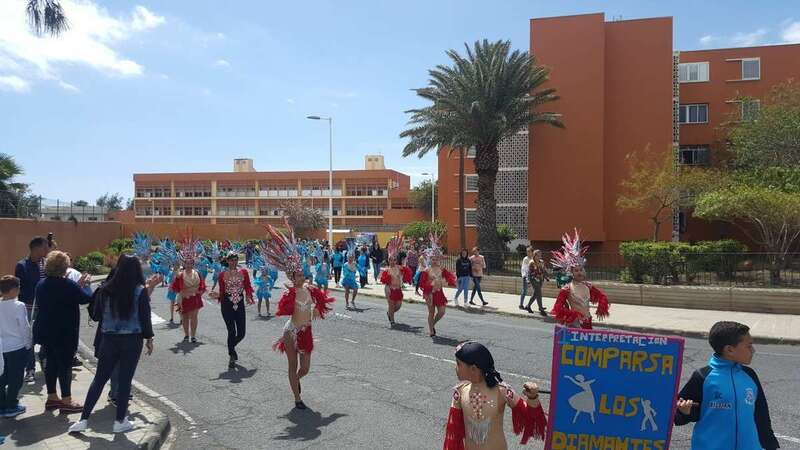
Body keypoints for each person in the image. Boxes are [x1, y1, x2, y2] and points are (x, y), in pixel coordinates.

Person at [68, 254, 160, 434]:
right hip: (132, 340)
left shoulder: (105, 289)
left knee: (99, 379)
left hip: (108, 339)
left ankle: (84, 419)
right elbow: (144, 318)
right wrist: (149, 338)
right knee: (125, 381)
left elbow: (97, 314)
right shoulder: (139, 291)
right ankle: (120, 421)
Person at [262, 222, 335, 410]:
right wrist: (289, 295)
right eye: (297, 275)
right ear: (291, 277)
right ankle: (297, 398)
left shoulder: (311, 290)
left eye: (302, 274)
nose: (301, 277)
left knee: (305, 369)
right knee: (292, 366)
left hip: (307, 332)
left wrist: (318, 310)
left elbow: (322, 302)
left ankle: (296, 380)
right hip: (291, 332)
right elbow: (284, 310)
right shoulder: (289, 294)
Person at [675, 321, 779, 450]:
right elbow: (679, 415)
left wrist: (770, 445)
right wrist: (685, 412)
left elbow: (761, 414)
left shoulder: (750, 375)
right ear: (729, 349)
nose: (753, 350)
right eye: (749, 346)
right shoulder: (703, 377)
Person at [443, 341, 547, 449]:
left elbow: (531, 419)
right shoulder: (460, 393)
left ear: (473, 369)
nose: (455, 367)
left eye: (458, 364)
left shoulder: (502, 391)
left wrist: (532, 397)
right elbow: (454, 433)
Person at [32, 251, 92, 413]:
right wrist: (86, 285)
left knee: (51, 363)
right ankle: (67, 400)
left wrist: (77, 286)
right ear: (64, 267)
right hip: (64, 331)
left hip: (45, 329)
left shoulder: (41, 284)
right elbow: (86, 298)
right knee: (65, 365)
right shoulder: (68, 285)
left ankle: (52, 397)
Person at [549, 230, 609, 329]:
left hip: (588, 323)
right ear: (571, 273)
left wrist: (601, 306)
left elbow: (602, 297)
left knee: (587, 345)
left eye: (581, 269)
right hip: (574, 324)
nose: (579, 272)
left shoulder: (588, 286)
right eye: (576, 270)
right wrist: (574, 315)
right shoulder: (566, 289)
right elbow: (558, 308)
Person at [209, 252, 254, 369]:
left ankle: (230, 347)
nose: (234, 262)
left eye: (235, 259)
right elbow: (223, 292)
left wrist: (249, 296)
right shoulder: (222, 275)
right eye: (231, 260)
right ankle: (232, 355)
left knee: (242, 333)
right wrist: (217, 295)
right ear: (228, 261)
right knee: (231, 331)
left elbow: (248, 285)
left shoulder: (243, 272)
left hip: (239, 303)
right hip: (227, 304)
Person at [14, 236, 49, 381]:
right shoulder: (22, 266)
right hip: (28, 307)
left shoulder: (47, 264)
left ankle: (44, 358)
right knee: (29, 338)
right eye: (45, 247)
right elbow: (21, 289)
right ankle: (30, 369)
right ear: (36, 248)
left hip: (45, 308)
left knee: (47, 336)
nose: (47, 250)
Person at [0, 276, 32, 418]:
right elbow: (24, 327)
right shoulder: (19, 305)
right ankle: (11, 405)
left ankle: (2, 405)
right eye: (18, 288)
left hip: (2, 347)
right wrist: (28, 344)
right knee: (16, 378)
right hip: (17, 347)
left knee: (3, 376)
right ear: (13, 290)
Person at [418, 235, 456, 337]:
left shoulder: (441, 269)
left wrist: (452, 280)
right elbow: (422, 283)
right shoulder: (427, 270)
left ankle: (432, 324)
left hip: (439, 293)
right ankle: (431, 331)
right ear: (430, 259)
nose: (434, 261)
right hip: (430, 293)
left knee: (442, 312)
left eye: (436, 259)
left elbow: (450, 278)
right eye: (433, 259)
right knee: (431, 312)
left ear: (439, 259)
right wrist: (429, 288)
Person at [170, 240, 205, 343]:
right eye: (187, 263)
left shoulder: (197, 273)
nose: (189, 264)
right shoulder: (180, 274)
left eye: (191, 263)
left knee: (194, 317)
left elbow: (202, 284)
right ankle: (186, 335)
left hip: (195, 298)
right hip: (184, 298)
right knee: (185, 318)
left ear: (193, 263)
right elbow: (175, 287)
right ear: (184, 263)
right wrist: (176, 286)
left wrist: (200, 290)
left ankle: (193, 336)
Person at [379, 235, 413, 326]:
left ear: (396, 260)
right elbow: (382, 279)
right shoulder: (386, 270)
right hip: (389, 289)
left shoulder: (400, 268)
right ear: (388, 260)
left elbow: (407, 273)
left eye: (394, 260)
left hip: (398, 289)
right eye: (390, 260)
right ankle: (392, 321)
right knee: (391, 305)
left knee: (398, 306)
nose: (392, 261)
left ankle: (390, 313)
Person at [525, 250, 549, 316]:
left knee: (536, 294)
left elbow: (543, 270)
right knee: (539, 293)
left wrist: (546, 277)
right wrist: (529, 282)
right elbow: (529, 273)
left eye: (540, 255)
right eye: (537, 255)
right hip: (534, 280)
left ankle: (528, 306)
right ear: (534, 255)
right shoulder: (531, 262)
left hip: (540, 280)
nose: (539, 257)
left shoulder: (541, 262)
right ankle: (541, 309)